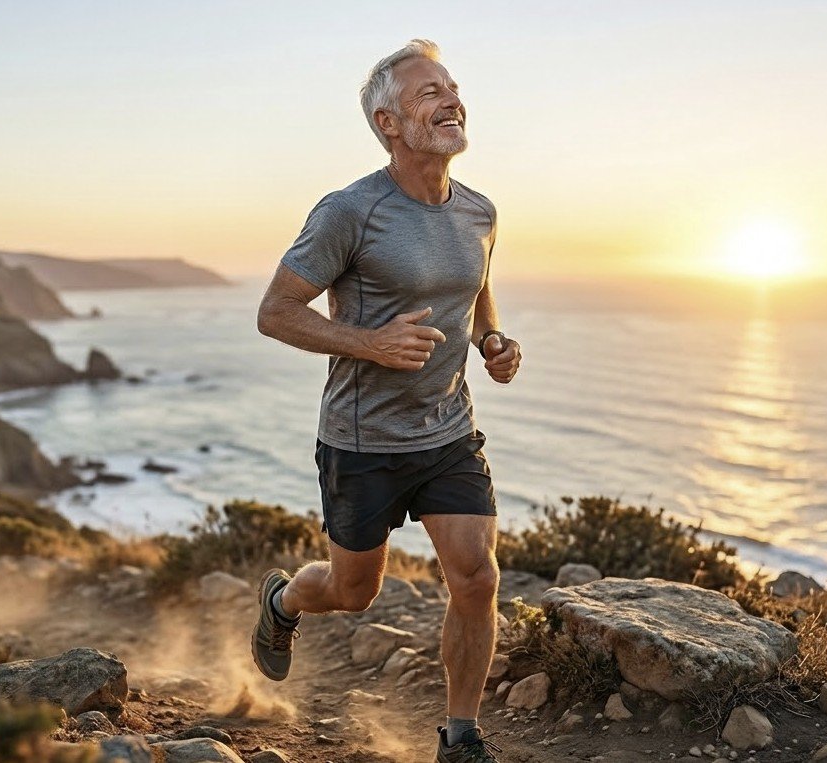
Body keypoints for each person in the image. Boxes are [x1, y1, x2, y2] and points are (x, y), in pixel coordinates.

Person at [252, 39, 521, 763]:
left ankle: (460, 734)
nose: (451, 98)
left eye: (453, 86)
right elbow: (275, 311)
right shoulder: (349, 210)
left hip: (447, 430)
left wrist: (492, 340)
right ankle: (282, 602)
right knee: (352, 589)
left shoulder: (479, 211)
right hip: (362, 438)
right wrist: (368, 343)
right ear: (388, 123)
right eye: (428, 92)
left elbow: (474, 290)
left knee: (476, 576)